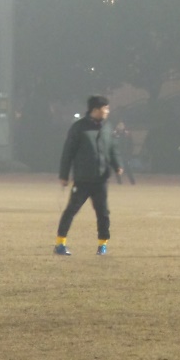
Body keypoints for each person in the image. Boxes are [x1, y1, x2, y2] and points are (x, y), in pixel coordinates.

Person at [55, 96, 123, 256]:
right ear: (95, 109)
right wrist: (64, 175)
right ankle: (60, 244)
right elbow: (68, 152)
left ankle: (102, 245)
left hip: (101, 179)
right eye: (105, 108)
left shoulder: (107, 127)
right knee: (71, 211)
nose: (107, 111)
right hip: (83, 179)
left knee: (103, 213)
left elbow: (112, 148)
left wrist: (117, 164)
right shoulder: (79, 128)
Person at [113, 121, 137, 185]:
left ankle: (133, 182)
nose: (120, 127)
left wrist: (130, 153)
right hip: (117, 155)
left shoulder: (127, 134)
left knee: (128, 168)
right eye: (119, 126)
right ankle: (119, 182)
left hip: (125, 155)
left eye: (122, 126)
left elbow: (131, 144)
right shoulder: (114, 134)